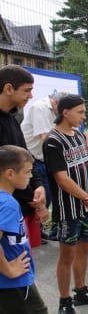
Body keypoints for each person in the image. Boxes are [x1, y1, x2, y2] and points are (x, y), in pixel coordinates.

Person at [43, 94, 88, 313]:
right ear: (65, 112)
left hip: (87, 205)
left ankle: (80, 291)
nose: (84, 116)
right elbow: (61, 178)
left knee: (83, 250)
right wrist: (86, 196)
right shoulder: (53, 141)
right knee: (66, 255)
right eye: (80, 112)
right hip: (68, 210)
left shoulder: (79, 136)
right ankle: (64, 301)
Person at [0, 64, 49, 249]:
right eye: (26, 90)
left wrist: (38, 185)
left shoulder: (12, 119)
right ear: (8, 88)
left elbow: (24, 157)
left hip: (22, 206)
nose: (30, 95)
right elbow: (8, 172)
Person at [0, 145, 48, 314]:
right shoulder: (8, 204)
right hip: (13, 282)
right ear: (10, 174)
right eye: (27, 172)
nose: (31, 176)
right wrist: (8, 269)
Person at [21, 91, 68, 244]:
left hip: (43, 160)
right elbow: (44, 138)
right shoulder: (40, 108)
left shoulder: (52, 110)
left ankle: (39, 230)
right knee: (41, 196)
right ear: (56, 104)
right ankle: (34, 231)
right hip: (34, 160)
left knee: (47, 196)